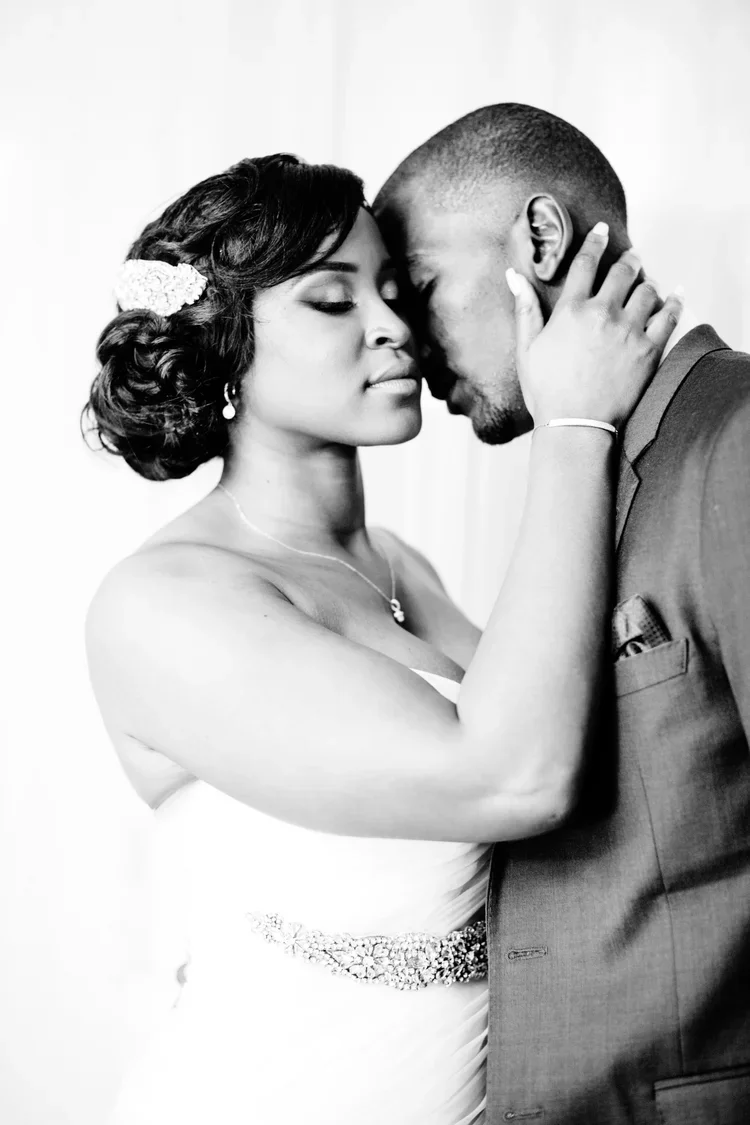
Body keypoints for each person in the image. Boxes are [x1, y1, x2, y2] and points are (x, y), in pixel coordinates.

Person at [83, 154, 679, 1125]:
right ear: (225, 348)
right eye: (331, 301)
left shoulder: (402, 567)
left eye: (396, 291)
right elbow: (514, 776)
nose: (395, 327)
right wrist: (575, 422)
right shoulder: (161, 606)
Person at [374, 102, 750, 1124]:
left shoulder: (737, 438)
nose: (401, 340)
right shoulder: (574, 481)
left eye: (417, 288)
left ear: (538, 240)